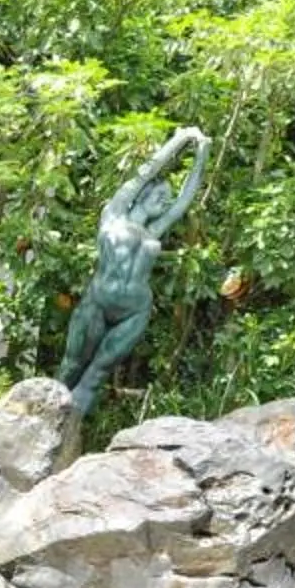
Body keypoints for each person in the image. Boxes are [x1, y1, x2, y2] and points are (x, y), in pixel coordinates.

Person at [58, 125, 208, 416]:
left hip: (135, 311)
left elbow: (184, 201)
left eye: (167, 196)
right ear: (142, 195)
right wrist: (179, 139)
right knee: (72, 364)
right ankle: (44, 418)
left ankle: (70, 436)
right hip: (99, 302)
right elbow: (145, 173)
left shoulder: (154, 230)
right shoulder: (113, 216)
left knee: (94, 377)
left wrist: (202, 152)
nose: (165, 200)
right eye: (161, 194)